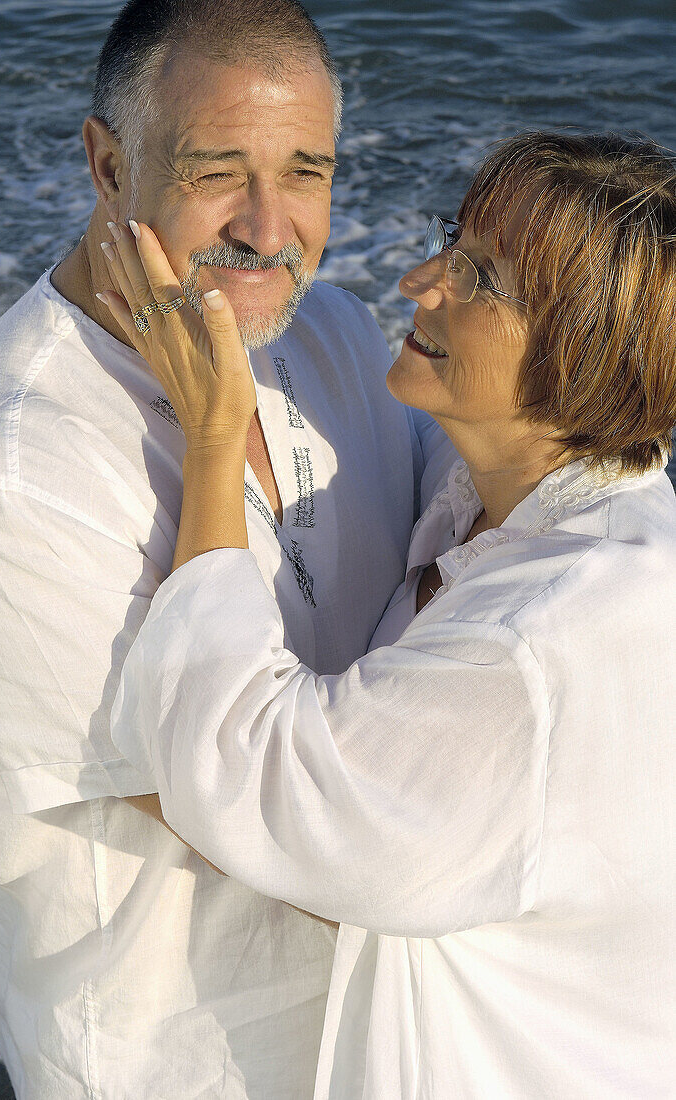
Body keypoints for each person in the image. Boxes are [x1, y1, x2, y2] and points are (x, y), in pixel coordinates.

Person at [0, 1, 455, 1096]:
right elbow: (281, 827)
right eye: (218, 170)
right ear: (106, 163)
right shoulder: (0, 477)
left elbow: (470, 545)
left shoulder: (331, 332)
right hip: (184, 1058)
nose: (269, 230)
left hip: (394, 1039)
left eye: (306, 171)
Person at [109, 130, 676, 1099]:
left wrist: (212, 431)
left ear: (581, 353)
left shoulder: (541, 646)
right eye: (448, 240)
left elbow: (242, 766)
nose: (419, 280)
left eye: (479, 277)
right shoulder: (504, 492)